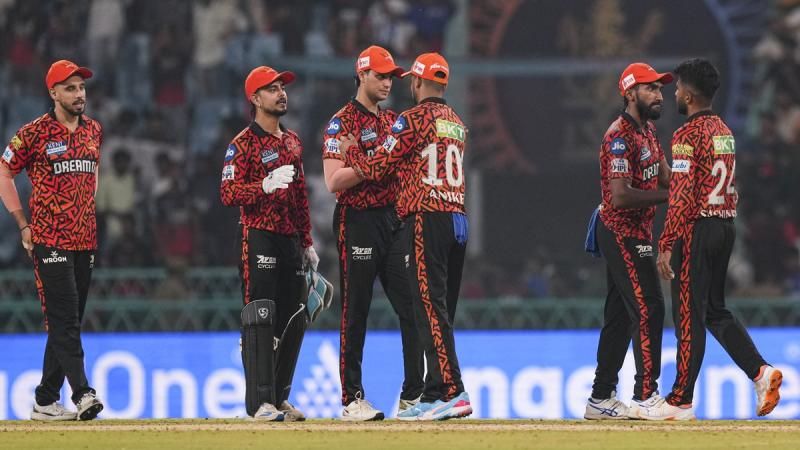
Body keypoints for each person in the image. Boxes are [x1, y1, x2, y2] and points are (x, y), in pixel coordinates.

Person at [646, 58, 782, 420]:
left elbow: (681, 194)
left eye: (677, 88)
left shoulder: (686, 136)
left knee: (688, 315)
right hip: (725, 226)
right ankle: (760, 372)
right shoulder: (724, 131)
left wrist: (666, 243)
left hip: (697, 229)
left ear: (689, 96)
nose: (674, 93)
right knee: (715, 311)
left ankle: (680, 400)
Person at [343, 52, 472, 421]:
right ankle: (433, 393)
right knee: (440, 310)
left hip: (426, 218)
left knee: (429, 308)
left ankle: (452, 391)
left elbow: (378, 166)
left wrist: (353, 151)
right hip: (457, 219)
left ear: (416, 82)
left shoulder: (410, 119)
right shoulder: (456, 121)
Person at [322, 45, 424, 421]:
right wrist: (375, 166)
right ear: (362, 75)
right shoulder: (341, 123)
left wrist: (364, 162)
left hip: (392, 220)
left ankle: (412, 396)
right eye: (380, 76)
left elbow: (399, 167)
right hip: (358, 220)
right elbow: (333, 181)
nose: (387, 83)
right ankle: (352, 399)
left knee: (412, 307)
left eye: (391, 77)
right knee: (356, 310)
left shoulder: (394, 121)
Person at [0, 60, 105, 421]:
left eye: (81, 87)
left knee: (68, 320)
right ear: (53, 93)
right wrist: (22, 224)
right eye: (71, 88)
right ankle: (83, 392)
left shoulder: (94, 130)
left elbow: (91, 177)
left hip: (85, 240)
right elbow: (4, 170)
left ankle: (45, 400)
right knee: (65, 320)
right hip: (50, 239)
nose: (79, 94)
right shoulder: (33, 133)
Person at [220, 66, 319, 421]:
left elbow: (300, 196)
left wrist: (307, 242)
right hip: (258, 234)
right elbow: (228, 193)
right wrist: (262, 186)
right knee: (260, 316)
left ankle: (279, 397)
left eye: (282, 87)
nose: (281, 93)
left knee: (295, 318)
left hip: (290, 239)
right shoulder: (242, 144)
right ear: (255, 98)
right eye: (272, 89)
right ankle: (260, 403)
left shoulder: (292, 141)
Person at [584, 63, 672, 420]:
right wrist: (671, 196)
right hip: (621, 232)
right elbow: (620, 197)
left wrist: (694, 185)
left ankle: (600, 398)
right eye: (651, 88)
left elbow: (667, 177)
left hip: (637, 233)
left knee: (620, 315)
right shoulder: (618, 136)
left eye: (660, 89)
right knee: (649, 307)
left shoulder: (648, 132)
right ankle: (646, 395)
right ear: (630, 92)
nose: (659, 95)